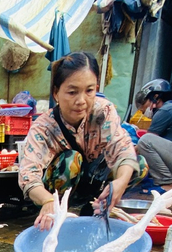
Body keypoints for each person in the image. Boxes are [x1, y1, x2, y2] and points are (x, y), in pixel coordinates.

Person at [19, 51, 148, 230]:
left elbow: (122, 148)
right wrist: (48, 200)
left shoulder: (104, 112)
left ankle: (95, 209)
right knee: (71, 160)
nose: (81, 101)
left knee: (138, 164)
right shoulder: (44, 127)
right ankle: (61, 215)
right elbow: (28, 176)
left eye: (89, 91)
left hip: (94, 182)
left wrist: (120, 182)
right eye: (72, 92)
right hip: (57, 192)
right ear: (56, 93)